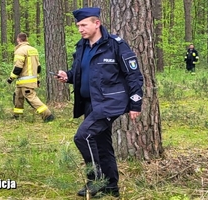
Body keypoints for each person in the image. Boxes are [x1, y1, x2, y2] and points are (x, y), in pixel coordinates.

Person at [55, 7, 143, 197]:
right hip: (90, 102)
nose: (80, 29)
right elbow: (80, 73)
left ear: (97, 23)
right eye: (78, 25)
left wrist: (136, 103)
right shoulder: (82, 46)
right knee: (102, 144)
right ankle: (111, 188)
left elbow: (133, 75)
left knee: (83, 136)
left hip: (110, 102)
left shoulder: (115, 45)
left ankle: (95, 179)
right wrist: (67, 76)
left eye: (84, 25)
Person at [7, 32, 54, 122]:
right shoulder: (33, 50)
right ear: (26, 39)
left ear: (18, 40)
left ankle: (48, 115)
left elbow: (18, 67)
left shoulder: (20, 51)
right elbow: (38, 67)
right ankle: (17, 116)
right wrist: (37, 79)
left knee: (32, 98)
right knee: (18, 97)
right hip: (25, 81)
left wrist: (11, 78)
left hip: (24, 81)